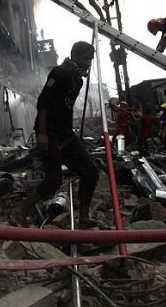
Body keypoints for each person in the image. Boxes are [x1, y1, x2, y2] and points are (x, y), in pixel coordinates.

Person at [11, 42, 100, 229]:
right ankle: (20, 210)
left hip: (65, 133)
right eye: (86, 58)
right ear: (74, 55)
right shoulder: (60, 73)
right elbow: (43, 102)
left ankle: (84, 218)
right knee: (53, 180)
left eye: (91, 59)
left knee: (90, 172)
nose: (89, 63)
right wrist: (42, 133)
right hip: (50, 132)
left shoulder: (78, 79)